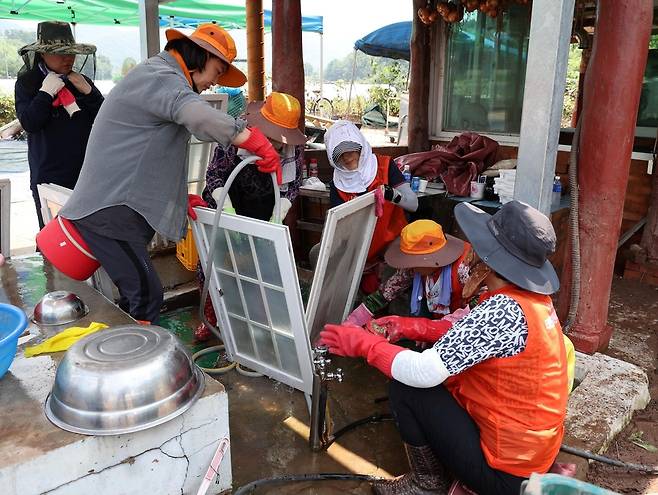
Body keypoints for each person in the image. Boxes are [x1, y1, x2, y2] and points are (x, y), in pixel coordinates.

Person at [320, 200, 568, 495]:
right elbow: (463, 336)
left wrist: (364, 344)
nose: (471, 249)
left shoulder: (503, 308)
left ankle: (427, 483)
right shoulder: (532, 302)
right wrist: (405, 327)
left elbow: (423, 372)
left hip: (507, 476)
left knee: (407, 386)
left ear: (489, 259)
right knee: (444, 378)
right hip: (529, 456)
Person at [57, 24, 281, 324]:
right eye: (217, 71)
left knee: (139, 294)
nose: (214, 83)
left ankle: (130, 353)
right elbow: (197, 114)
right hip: (109, 212)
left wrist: (175, 196)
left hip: (112, 210)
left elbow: (147, 156)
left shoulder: (160, 77)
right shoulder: (162, 77)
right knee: (146, 295)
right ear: (200, 56)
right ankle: (136, 363)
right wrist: (254, 140)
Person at [195, 91, 306, 340]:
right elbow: (214, 176)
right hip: (227, 202)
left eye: (280, 139)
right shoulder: (234, 133)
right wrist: (228, 211)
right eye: (271, 137)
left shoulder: (294, 147)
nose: (276, 144)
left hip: (265, 209)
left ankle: (256, 317)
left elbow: (294, 182)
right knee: (212, 264)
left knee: (263, 266)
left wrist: (280, 212)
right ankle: (212, 315)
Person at [14, 21, 104, 230]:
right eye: (60, 53)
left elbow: (106, 119)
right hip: (48, 175)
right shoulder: (28, 83)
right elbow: (30, 122)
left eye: (70, 53)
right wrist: (45, 94)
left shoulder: (81, 80)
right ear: (43, 54)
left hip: (85, 172)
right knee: (54, 235)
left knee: (88, 235)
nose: (68, 58)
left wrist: (90, 93)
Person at [322, 120, 418, 292]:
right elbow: (339, 229)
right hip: (359, 246)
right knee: (319, 255)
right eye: (340, 153)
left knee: (393, 270)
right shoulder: (338, 183)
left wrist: (392, 195)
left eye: (351, 148)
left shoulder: (385, 166)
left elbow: (413, 204)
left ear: (360, 146)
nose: (347, 156)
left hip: (392, 240)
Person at [345, 219, 475, 327]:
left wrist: (434, 328)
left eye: (414, 261)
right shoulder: (413, 269)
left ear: (433, 258)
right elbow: (388, 291)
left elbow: (481, 304)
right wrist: (356, 318)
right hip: (437, 315)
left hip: (466, 323)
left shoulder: (465, 267)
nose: (409, 266)